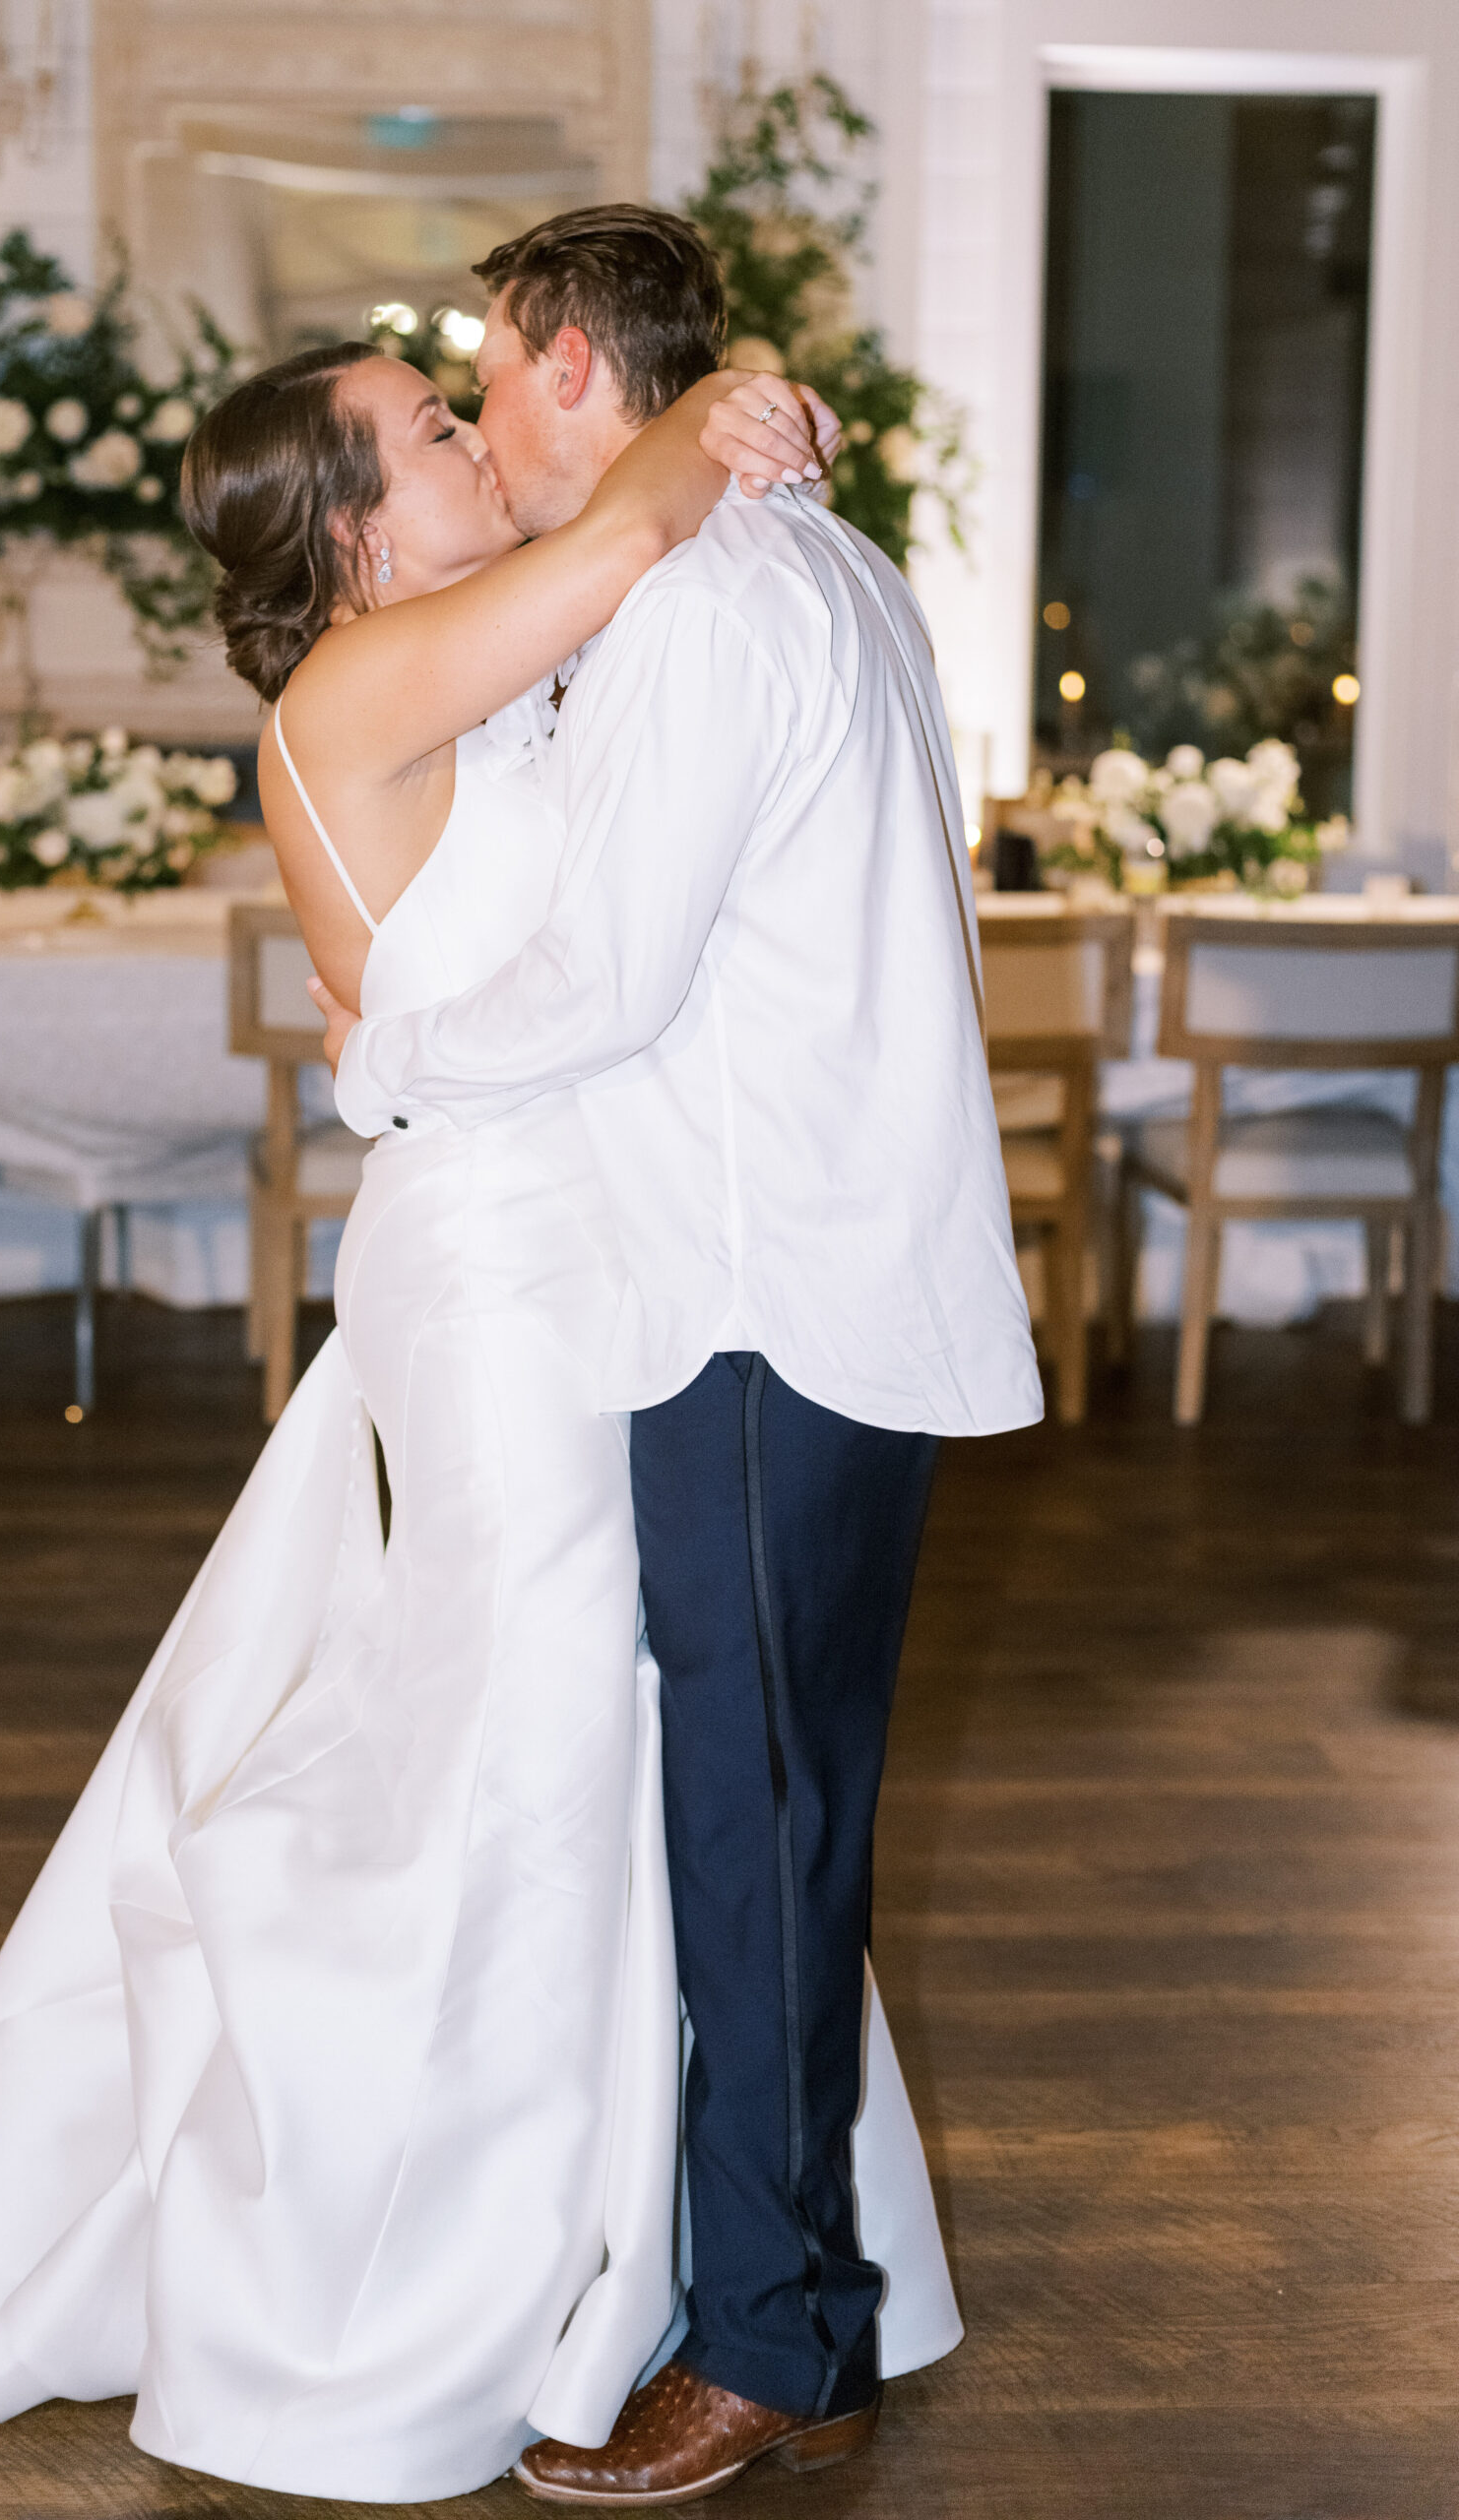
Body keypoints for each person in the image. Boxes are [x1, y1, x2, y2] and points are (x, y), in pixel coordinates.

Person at [0, 235, 962, 2502]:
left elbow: (641, 516)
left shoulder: (504, 655)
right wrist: (718, 405)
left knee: (623, 1738)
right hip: (510, 1271)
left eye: (474, 392)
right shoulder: (373, 681)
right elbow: (626, 499)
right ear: (350, 530)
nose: (466, 431)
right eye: (429, 429)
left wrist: (740, 389)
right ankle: (465, 2263)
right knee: (534, 1742)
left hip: (610, 1252)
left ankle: (683, 2248)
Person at [316, 204, 1044, 2504]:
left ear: (552, 365)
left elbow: (612, 984)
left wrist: (392, 1064)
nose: (486, 427)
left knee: (752, 1826)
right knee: (778, 1811)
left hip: (757, 1288)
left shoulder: (714, 603)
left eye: (481, 379)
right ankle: (787, 2284)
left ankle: (774, 2339)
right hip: (817, 1268)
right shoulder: (805, 561)